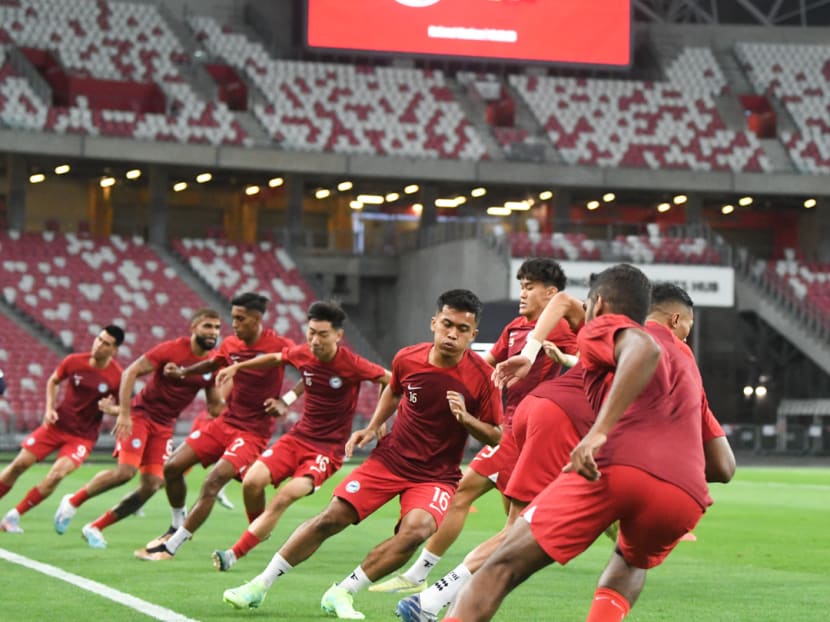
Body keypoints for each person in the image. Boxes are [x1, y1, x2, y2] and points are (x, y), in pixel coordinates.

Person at [446, 264, 713, 622]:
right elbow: (724, 465)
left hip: (606, 457)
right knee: (630, 562)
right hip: (686, 494)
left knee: (502, 564)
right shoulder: (687, 364)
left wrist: (598, 430)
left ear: (598, 304)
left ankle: (432, 600)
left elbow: (642, 348)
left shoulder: (609, 326)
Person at [222, 289, 503, 620]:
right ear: (434, 323)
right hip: (390, 460)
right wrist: (372, 426)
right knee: (330, 518)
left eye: (462, 329)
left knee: (417, 531)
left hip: (437, 474)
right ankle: (258, 585)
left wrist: (467, 420)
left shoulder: (483, 378)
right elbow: (394, 391)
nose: (453, 335)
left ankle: (343, 591)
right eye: (447, 325)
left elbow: (496, 434)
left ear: (474, 334)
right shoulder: (407, 358)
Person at [372, 258, 578, 595]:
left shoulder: (562, 329)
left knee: (506, 516)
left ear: (551, 293)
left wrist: (566, 360)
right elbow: (481, 364)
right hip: (506, 430)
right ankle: (435, 577)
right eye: (521, 285)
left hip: (528, 435)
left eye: (530, 287)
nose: (522, 293)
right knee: (481, 503)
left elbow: (587, 361)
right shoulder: (514, 327)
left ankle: (452, 583)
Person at [210, 300, 391, 571]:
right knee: (251, 482)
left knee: (285, 496)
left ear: (338, 336)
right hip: (297, 438)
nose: (315, 340)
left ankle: (234, 554)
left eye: (323, 334)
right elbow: (275, 358)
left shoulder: (352, 364)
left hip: (326, 451)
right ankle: (258, 528)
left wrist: (378, 422)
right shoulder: (303, 353)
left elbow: (388, 379)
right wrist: (237, 367)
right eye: (311, 333)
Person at [134, 292, 294, 561]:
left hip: (252, 432)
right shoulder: (231, 344)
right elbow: (214, 362)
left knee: (213, 481)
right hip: (225, 422)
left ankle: (170, 547)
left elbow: (312, 367)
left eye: (240, 319)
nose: (234, 325)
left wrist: (285, 399)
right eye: (232, 318)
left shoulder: (278, 344)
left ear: (256, 319)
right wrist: (184, 372)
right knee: (172, 466)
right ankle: (178, 522)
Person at [52, 309, 224, 548]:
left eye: (217, 328)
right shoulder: (171, 349)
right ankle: (72, 501)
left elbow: (215, 407)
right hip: (141, 416)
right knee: (125, 473)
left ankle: (95, 526)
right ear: (194, 328)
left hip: (164, 426)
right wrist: (123, 413)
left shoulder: (211, 364)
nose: (213, 332)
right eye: (207, 326)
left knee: (152, 485)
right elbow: (131, 372)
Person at [0, 326, 125, 533]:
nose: (99, 345)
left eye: (106, 343)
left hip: (82, 438)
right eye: (99, 339)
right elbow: (53, 381)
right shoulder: (74, 361)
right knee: (18, 465)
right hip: (55, 426)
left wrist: (111, 409)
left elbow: (124, 409)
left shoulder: (117, 377)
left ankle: (13, 516)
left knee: (57, 474)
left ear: (114, 350)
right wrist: (49, 408)